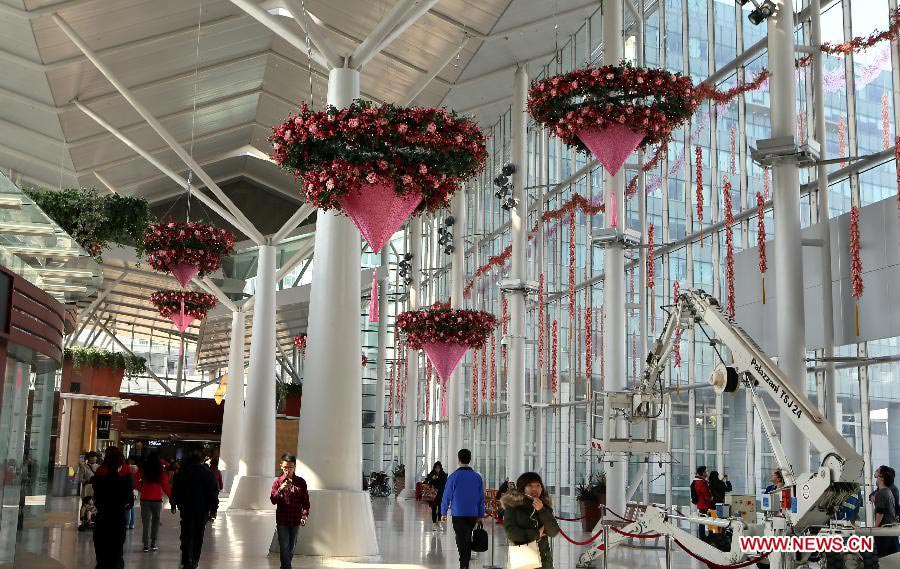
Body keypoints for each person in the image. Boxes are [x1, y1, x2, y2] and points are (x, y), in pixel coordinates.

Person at [171, 445, 219, 569]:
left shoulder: (183, 472)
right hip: (201, 510)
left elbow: (176, 488)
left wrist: (173, 503)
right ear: (202, 459)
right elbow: (212, 492)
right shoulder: (207, 473)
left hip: (186, 508)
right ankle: (195, 560)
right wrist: (213, 509)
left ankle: (187, 558)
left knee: (186, 533)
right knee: (198, 534)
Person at [500, 472, 561, 569]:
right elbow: (511, 532)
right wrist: (536, 534)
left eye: (538, 485)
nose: (534, 489)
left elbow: (553, 531)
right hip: (523, 556)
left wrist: (541, 510)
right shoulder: (513, 506)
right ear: (522, 487)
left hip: (544, 557)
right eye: (529, 485)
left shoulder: (544, 506)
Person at [440, 449, 485, 569]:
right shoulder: (477, 477)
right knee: (468, 536)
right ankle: (465, 562)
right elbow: (481, 497)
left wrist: (443, 512)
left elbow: (446, 495)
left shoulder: (453, 477)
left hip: (458, 513)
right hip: (473, 513)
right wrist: (480, 514)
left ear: (458, 460)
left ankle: (463, 562)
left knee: (461, 537)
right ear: (470, 460)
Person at [91, 447, 134, 569]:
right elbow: (130, 499)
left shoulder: (100, 471)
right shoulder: (126, 472)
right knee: (117, 550)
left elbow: (97, 494)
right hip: (119, 517)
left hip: (103, 517)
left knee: (102, 551)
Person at [270, 453, 310, 569]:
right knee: (284, 546)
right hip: (282, 520)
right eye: (285, 467)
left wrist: (304, 516)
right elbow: (273, 500)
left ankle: (285, 566)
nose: (288, 470)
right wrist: (280, 489)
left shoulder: (301, 482)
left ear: (295, 466)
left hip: (295, 519)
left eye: (291, 467)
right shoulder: (277, 482)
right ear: (281, 466)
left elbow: (306, 502)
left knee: (291, 547)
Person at [136, 452, 171, 552]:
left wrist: (140, 488)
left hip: (145, 498)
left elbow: (135, 480)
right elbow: (165, 486)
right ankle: (153, 543)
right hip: (157, 499)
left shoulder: (143, 469)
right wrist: (172, 497)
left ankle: (145, 545)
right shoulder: (161, 471)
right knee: (156, 522)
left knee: (146, 522)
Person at [873, 467, 899, 557]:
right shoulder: (888, 491)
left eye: (878, 470)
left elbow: (880, 513)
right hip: (891, 529)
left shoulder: (881, 493)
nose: (875, 471)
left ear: (882, 477)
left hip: (884, 531)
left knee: (883, 557)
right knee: (893, 556)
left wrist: (875, 529)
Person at [690, 466, 713, 540]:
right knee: (705, 521)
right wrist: (710, 495)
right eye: (706, 471)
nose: (707, 473)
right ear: (703, 473)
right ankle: (704, 537)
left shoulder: (700, 481)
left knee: (704, 520)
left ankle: (704, 536)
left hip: (702, 504)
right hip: (704, 504)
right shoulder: (700, 482)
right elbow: (706, 493)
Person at [425, 461, 448, 529]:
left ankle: (439, 522)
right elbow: (428, 483)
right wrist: (432, 479)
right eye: (436, 468)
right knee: (434, 509)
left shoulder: (443, 474)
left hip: (441, 493)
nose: (437, 469)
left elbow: (444, 483)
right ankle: (434, 523)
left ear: (440, 468)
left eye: (438, 468)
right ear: (434, 468)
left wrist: (438, 479)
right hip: (433, 494)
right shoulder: (431, 474)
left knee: (440, 509)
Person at [125, 457, 138, 529]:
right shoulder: (136, 468)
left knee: (128, 507)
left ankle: (127, 524)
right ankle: (132, 523)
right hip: (134, 489)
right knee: (132, 507)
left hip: (129, 489)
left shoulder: (129, 468)